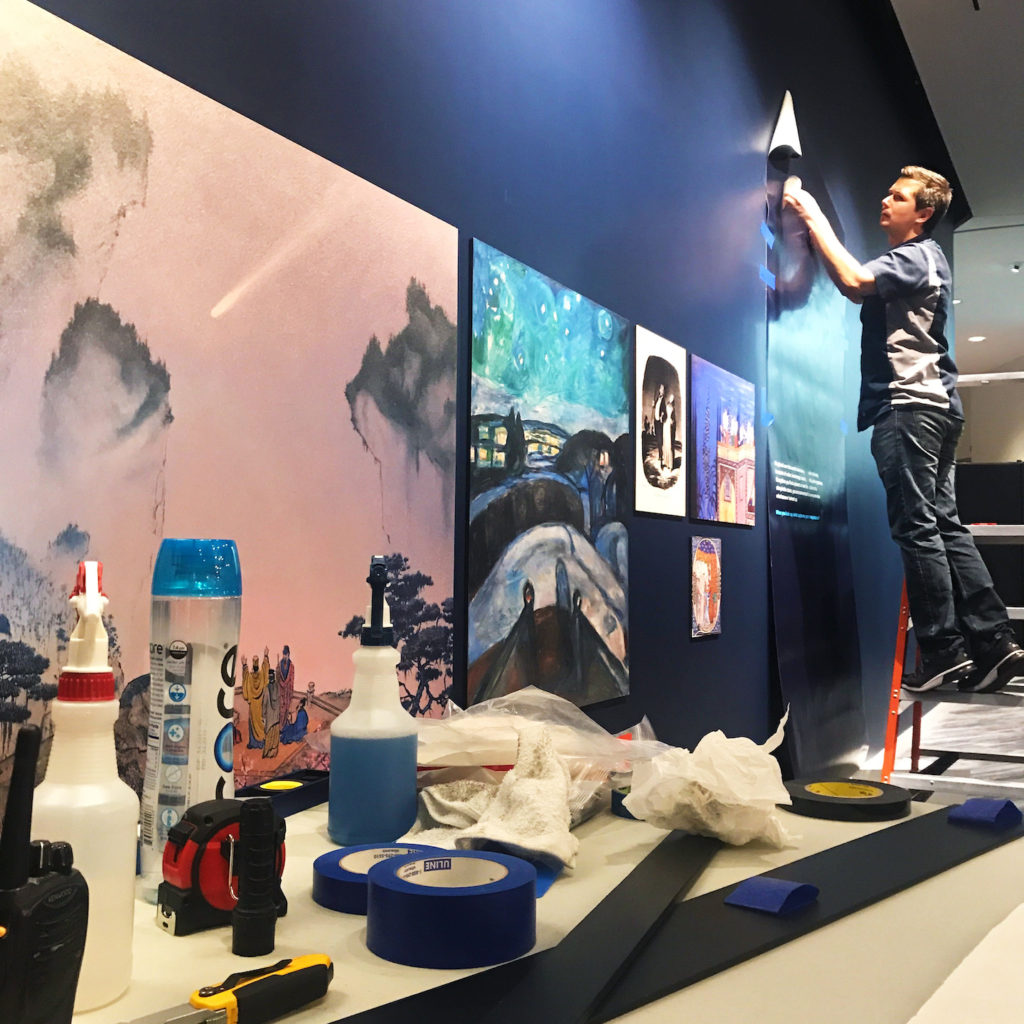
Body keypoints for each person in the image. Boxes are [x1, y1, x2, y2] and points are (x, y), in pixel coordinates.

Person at [782, 165, 1024, 694]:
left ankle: (942, 651)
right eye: (888, 192)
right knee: (945, 525)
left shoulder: (915, 256)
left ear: (924, 213)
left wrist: (810, 213)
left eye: (898, 196)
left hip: (910, 408)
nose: (885, 201)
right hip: (936, 407)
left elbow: (852, 281)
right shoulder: (924, 259)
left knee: (918, 528)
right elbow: (858, 287)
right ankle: (994, 644)